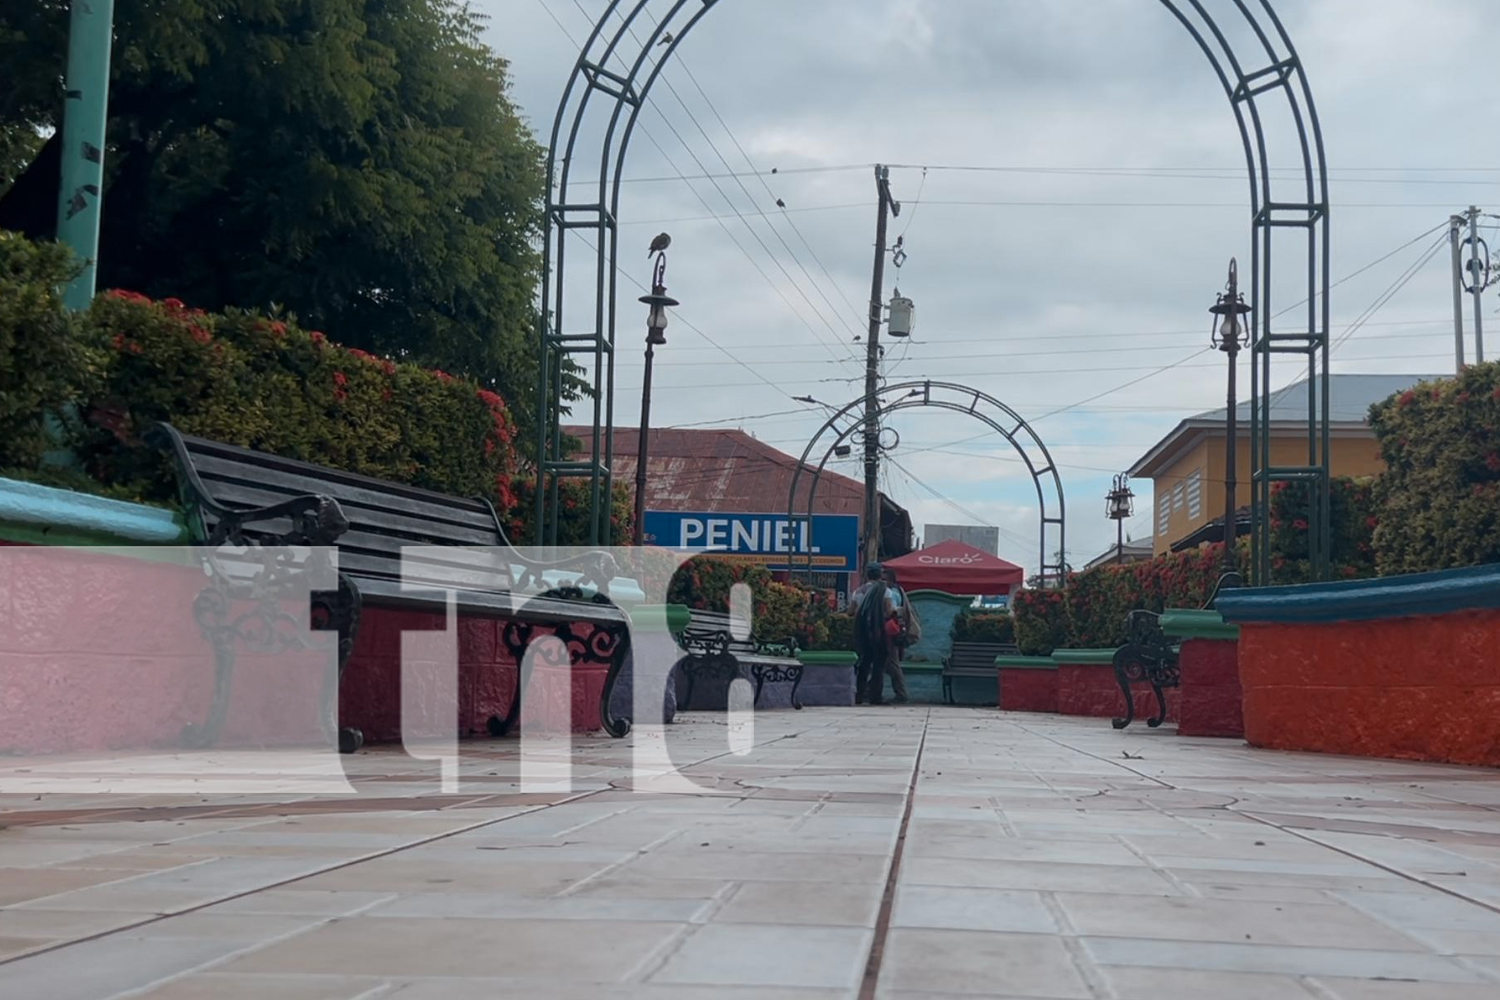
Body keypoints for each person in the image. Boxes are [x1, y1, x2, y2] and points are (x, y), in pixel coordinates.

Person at [850, 564, 908, 705]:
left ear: (867, 574)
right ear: (879, 575)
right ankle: (875, 697)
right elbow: (889, 612)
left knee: (863, 665)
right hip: (880, 634)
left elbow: (851, 612)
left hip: (863, 633)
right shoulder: (885, 591)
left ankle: (859, 695)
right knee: (878, 666)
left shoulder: (858, 591)